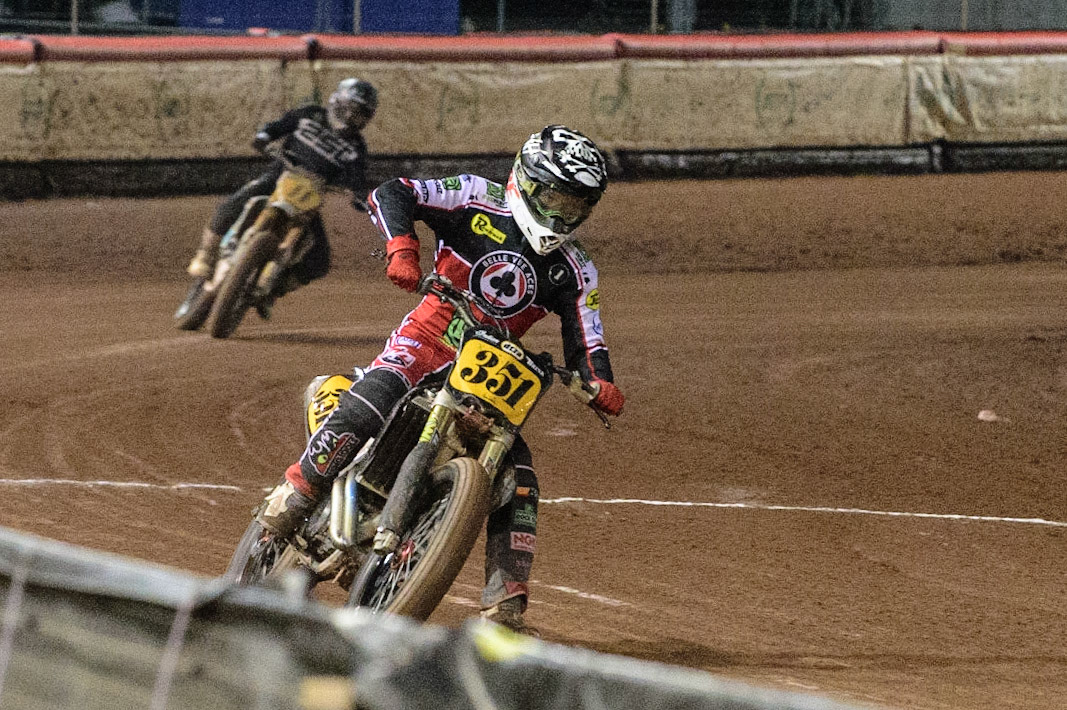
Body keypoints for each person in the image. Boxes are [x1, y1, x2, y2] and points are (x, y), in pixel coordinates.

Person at [254, 125, 625, 634]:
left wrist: (599, 383)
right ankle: (297, 492)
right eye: (552, 198)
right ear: (525, 179)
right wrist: (402, 247)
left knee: (518, 477)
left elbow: (589, 338)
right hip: (428, 340)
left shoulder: (577, 270)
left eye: (575, 206)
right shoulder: (477, 197)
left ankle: (504, 605)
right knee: (377, 398)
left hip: (492, 373)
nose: (560, 215)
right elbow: (395, 192)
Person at [186, 77, 378, 316]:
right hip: (279, 176)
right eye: (351, 108)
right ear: (337, 101)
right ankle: (207, 253)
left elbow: (357, 179)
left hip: (310, 198)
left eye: (360, 113)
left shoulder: (356, 148)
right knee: (236, 201)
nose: (352, 116)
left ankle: (274, 290)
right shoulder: (310, 114)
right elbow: (278, 126)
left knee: (320, 260)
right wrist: (265, 136)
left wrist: (361, 197)